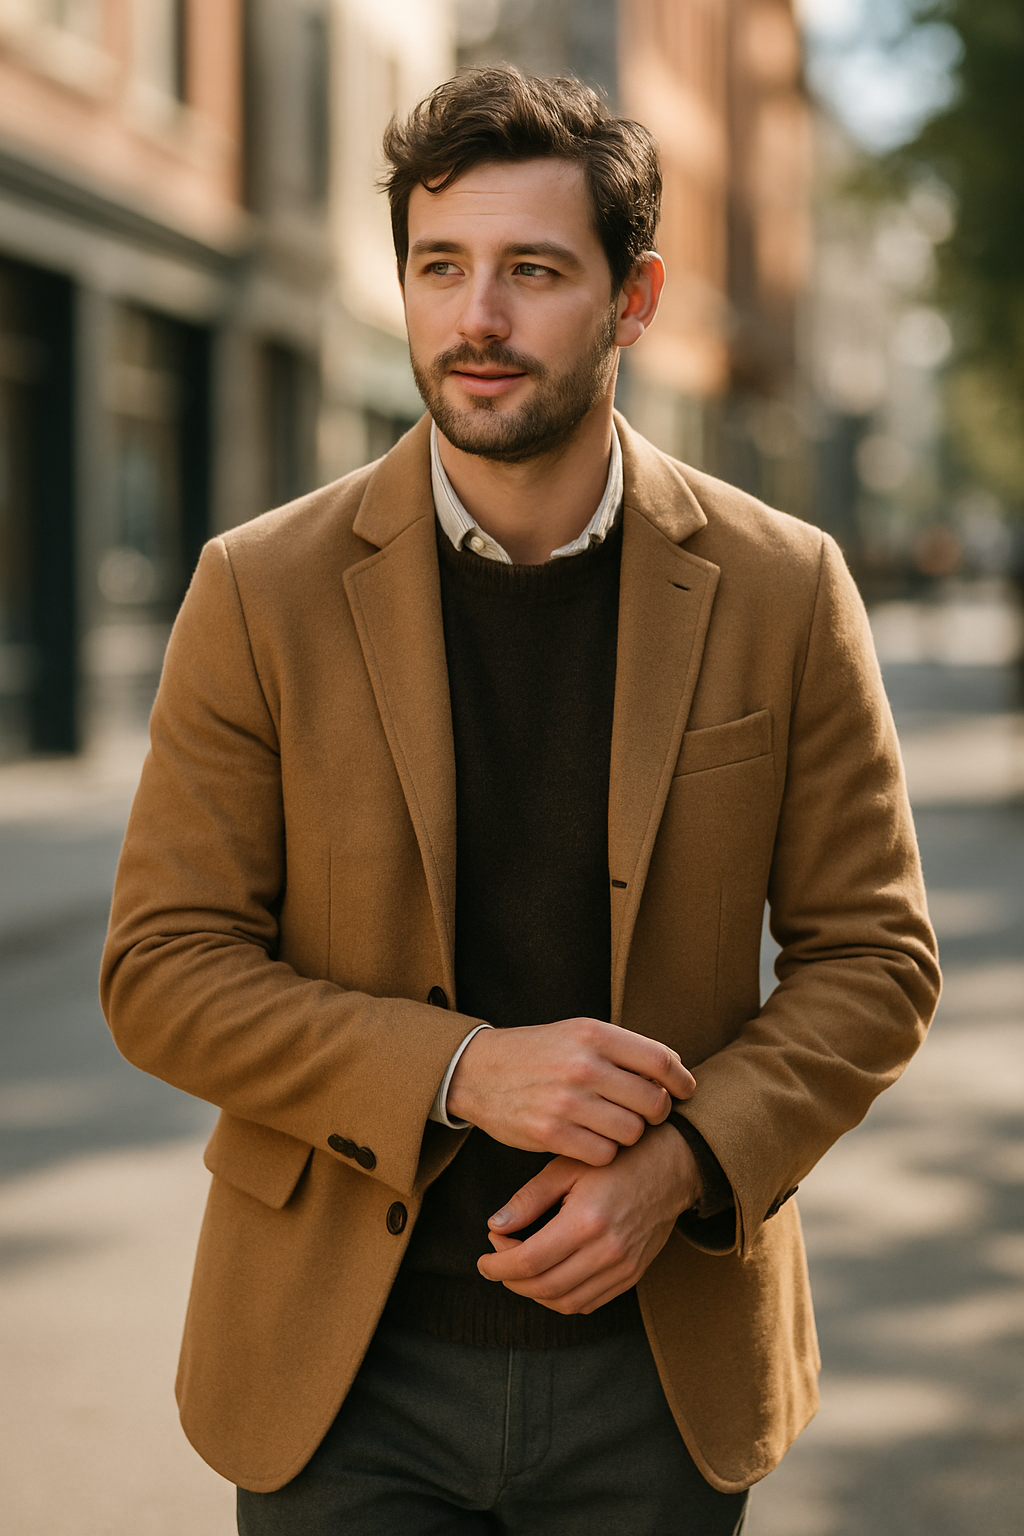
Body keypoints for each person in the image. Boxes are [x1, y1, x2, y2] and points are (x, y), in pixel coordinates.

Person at [101, 66, 940, 1536]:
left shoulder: (784, 585)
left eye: (533, 271)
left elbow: (875, 962)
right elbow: (162, 973)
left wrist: (684, 1164)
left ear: (637, 297)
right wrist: (460, 1070)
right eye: (441, 266)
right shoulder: (259, 590)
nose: (476, 317)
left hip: (659, 1378)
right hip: (341, 1382)